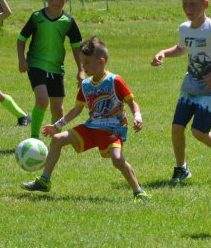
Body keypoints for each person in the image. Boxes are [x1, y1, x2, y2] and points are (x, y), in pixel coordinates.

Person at [21, 37, 150, 201]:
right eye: (82, 63)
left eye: (87, 63)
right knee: (58, 139)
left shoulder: (115, 81)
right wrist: (57, 125)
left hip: (112, 130)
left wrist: (137, 117)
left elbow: (132, 103)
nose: (83, 67)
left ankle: (138, 191)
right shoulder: (86, 85)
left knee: (117, 160)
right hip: (91, 128)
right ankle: (44, 181)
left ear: (101, 61)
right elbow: (76, 110)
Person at [151, 0, 211, 184]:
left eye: (193, 4)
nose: (188, 8)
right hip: (190, 85)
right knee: (177, 127)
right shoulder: (184, 29)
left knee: (199, 131)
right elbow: (181, 49)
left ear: (205, 4)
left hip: (210, 87)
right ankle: (181, 169)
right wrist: (163, 53)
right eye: (185, 4)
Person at [17, 0, 84, 139]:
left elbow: (77, 47)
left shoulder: (68, 21)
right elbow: (21, 39)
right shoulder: (37, 17)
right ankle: (33, 139)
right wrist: (21, 59)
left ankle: (57, 140)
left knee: (57, 109)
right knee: (42, 100)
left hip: (56, 68)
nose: (56, 0)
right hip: (35, 64)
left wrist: (81, 70)